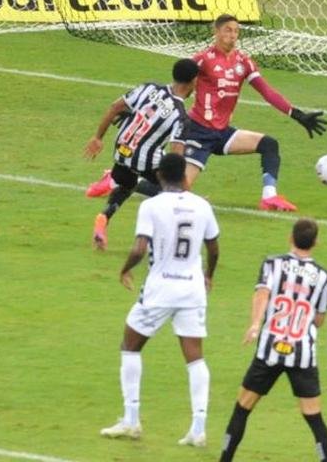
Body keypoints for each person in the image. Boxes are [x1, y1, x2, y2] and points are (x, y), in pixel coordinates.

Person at [103, 13, 326, 213]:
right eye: (228, 30)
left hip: (223, 133)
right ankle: (116, 180)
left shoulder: (244, 63)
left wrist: (296, 114)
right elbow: (179, 82)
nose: (233, 35)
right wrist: (140, 110)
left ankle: (269, 197)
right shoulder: (203, 59)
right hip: (198, 132)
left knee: (269, 144)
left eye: (237, 31)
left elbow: (267, 91)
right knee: (178, 190)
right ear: (216, 31)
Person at [100, 153, 219, 447]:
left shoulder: (151, 206)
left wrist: (125, 268)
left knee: (130, 345)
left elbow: (141, 248)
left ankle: (131, 420)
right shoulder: (202, 206)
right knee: (195, 356)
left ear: (161, 176)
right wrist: (208, 274)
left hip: (160, 288)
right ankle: (199, 428)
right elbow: (214, 248)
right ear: (184, 176)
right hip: (192, 289)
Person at [217, 218, 327, 461]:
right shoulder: (323, 276)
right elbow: (319, 319)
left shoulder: (273, 264)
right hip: (302, 354)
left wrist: (255, 325)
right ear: (316, 243)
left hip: (270, 348)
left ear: (290, 237)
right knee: (314, 417)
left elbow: (262, 294)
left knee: (242, 408)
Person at [83, 58, 200, 251]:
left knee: (127, 184)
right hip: (146, 161)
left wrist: (98, 137)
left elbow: (115, 107)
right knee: (172, 194)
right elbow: (176, 158)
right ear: (193, 82)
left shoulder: (149, 88)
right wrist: (186, 189)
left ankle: (104, 217)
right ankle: (160, 240)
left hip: (121, 150)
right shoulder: (180, 116)